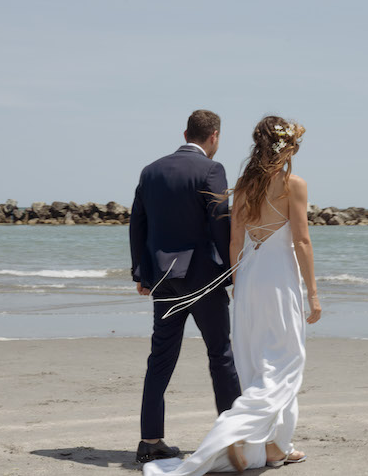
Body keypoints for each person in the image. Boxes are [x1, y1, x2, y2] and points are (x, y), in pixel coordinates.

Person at [142, 115, 322, 475]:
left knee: (256, 363)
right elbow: (301, 241)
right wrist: (313, 295)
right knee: (285, 364)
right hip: (279, 281)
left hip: (250, 281)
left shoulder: (242, 186)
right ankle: (236, 435)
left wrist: (239, 285)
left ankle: (274, 446)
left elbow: (235, 241)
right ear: (285, 147)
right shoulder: (294, 185)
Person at [130, 109, 242, 464]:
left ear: (185, 133)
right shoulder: (212, 169)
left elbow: (138, 225)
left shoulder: (151, 171)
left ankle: (150, 440)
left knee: (160, 357)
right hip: (204, 280)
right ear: (214, 137)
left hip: (163, 279)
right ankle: (232, 440)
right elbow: (220, 224)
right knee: (220, 355)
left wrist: (141, 274)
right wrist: (232, 270)